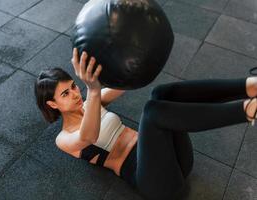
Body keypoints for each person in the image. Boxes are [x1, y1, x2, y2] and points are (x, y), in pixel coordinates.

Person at [34, 48, 257, 200]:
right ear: (52, 104)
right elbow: (89, 137)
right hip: (156, 183)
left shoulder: (93, 100)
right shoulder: (64, 138)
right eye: (65, 93)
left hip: (176, 160)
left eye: (73, 86)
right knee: (152, 112)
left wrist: (137, 56)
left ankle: (249, 86)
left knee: (160, 93)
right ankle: (246, 110)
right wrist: (92, 90)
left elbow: (131, 82)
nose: (74, 94)